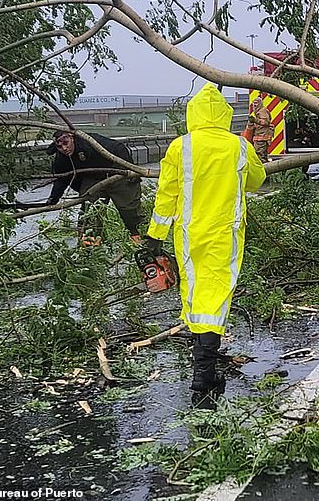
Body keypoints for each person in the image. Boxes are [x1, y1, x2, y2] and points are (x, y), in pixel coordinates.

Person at [144, 84, 266, 405]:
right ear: (224, 115)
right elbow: (257, 181)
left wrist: (154, 237)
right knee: (217, 296)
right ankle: (204, 373)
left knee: (196, 294)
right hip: (226, 234)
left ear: (192, 114)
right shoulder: (238, 147)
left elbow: (166, 196)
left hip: (189, 236)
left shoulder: (179, 147)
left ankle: (203, 369)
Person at [47, 130, 143, 244]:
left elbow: (119, 148)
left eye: (66, 143)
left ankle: (139, 237)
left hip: (116, 172)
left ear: (72, 138)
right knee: (90, 210)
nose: (64, 148)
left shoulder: (90, 141)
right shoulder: (61, 158)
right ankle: (90, 242)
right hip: (92, 179)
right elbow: (62, 180)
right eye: (60, 147)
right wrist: (53, 199)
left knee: (129, 207)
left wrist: (130, 171)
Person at [246, 97, 273, 162]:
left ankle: (263, 166)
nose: (254, 105)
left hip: (262, 136)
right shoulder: (258, 112)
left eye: (256, 103)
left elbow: (266, 122)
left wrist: (255, 120)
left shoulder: (262, 111)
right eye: (253, 103)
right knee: (261, 153)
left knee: (260, 154)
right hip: (259, 136)